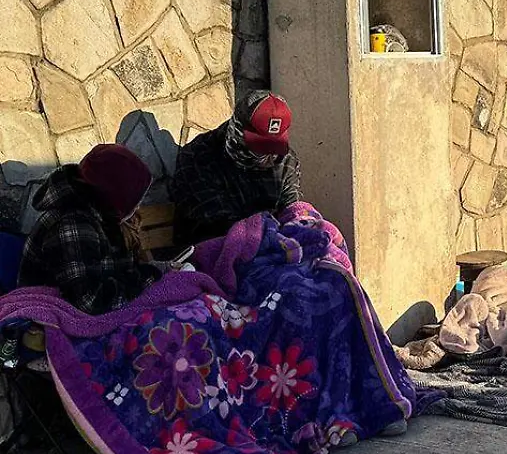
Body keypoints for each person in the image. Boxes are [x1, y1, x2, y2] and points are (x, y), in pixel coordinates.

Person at [18, 145, 168, 315]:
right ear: (115, 197)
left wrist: (159, 270)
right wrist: (150, 275)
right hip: (51, 324)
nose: (139, 206)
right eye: (136, 200)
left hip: (92, 316)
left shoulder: (102, 214)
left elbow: (116, 270)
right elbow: (90, 302)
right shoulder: (72, 225)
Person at [171, 91, 301, 246]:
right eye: (260, 148)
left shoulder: (285, 159)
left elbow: (292, 210)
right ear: (238, 130)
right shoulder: (198, 157)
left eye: (274, 147)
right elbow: (217, 223)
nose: (269, 157)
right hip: (212, 252)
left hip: (273, 247)